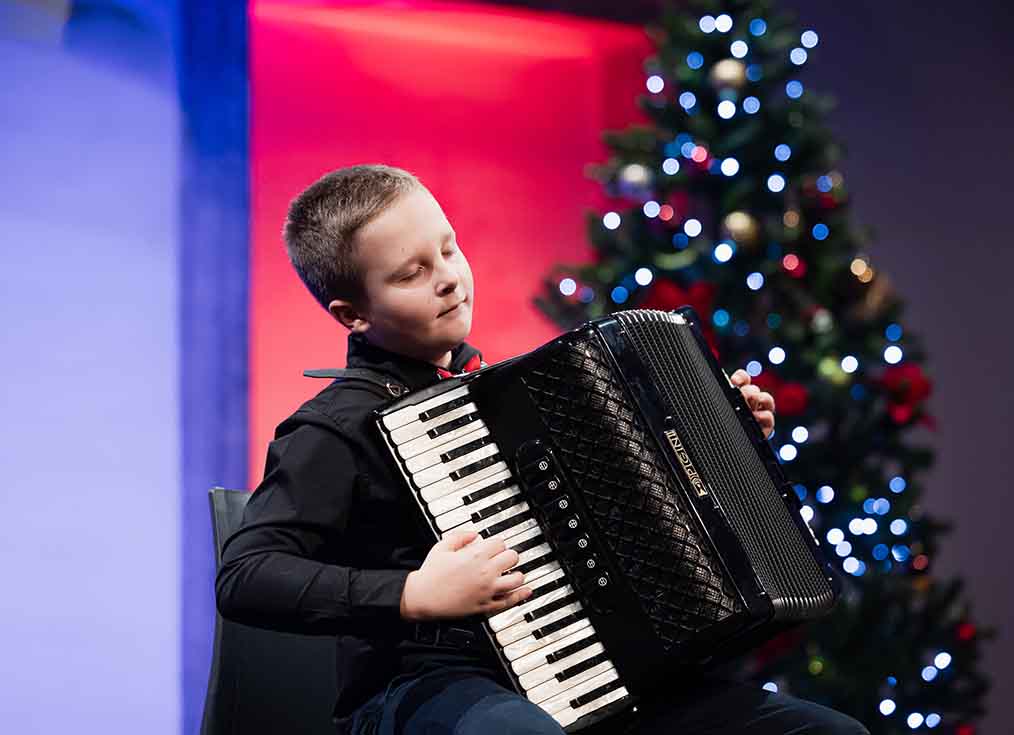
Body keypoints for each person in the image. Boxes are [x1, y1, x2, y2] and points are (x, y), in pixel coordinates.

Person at [216, 164, 869, 735]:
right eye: (412, 273)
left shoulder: (501, 394)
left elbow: (629, 512)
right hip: (420, 686)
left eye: (448, 249)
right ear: (352, 314)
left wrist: (724, 433)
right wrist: (413, 592)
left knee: (823, 731)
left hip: (586, 668)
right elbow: (246, 575)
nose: (448, 279)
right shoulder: (333, 428)